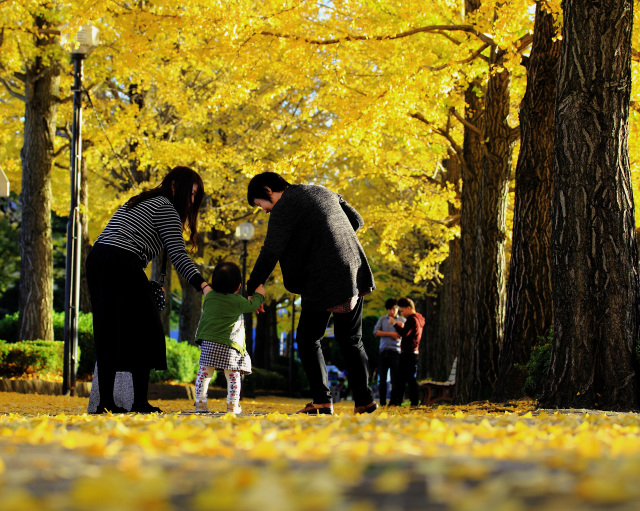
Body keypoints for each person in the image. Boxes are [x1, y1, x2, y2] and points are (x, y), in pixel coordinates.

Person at [245, 171, 378, 415]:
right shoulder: (323, 191)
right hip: (354, 269)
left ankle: (322, 400)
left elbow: (270, 250)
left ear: (267, 190)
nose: (263, 210)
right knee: (351, 340)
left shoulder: (284, 206)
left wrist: (254, 285)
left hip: (323, 276)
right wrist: (328, 237)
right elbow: (356, 220)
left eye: (260, 204)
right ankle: (364, 400)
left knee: (307, 338)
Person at [86, 166, 211, 414]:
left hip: (98, 258)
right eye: (191, 192)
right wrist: (204, 285)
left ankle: (106, 403)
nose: (192, 200)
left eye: (196, 195)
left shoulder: (140, 201)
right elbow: (178, 255)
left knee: (108, 328)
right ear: (174, 186)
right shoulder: (166, 207)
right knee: (146, 328)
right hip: (121, 260)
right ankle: (139, 402)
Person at [193, 261, 265, 414]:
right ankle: (232, 404)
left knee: (204, 373)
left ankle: (200, 402)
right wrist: (259, 295)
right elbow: (252, 305)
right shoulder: (238, 301)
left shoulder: (210, 297)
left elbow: (207, 290)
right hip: (230, 345)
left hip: (208, 343)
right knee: (232, 375)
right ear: (239, 286)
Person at [388, 297, 425, 407]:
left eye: (403, 311)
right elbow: (409, 331)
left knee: (405, 378)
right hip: (413, 351)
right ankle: (406, 401)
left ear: (409, 308)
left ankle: (404, 401)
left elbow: (405, 333)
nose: (402, 314)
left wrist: (394, 324)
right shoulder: (418, 318)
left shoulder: (412, 319)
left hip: (408, 352)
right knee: (407, 378)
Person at [373, 298, 403, 406]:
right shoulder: (382, 319)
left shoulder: (402, 320)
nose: (392, 311)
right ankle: (382, 402)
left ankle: (393, 402)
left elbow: (403, 334)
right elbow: (376, 332)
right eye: (389, 309)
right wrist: (390, 334)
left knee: (395, 379)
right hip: (383, 351)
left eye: (394, 309)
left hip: (396, 351)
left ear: (397, 309)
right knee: (382, 379)